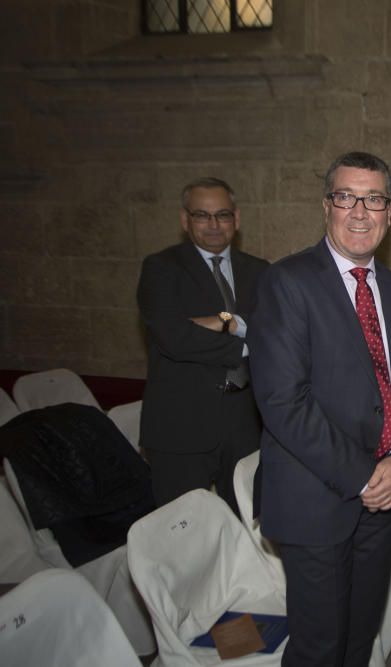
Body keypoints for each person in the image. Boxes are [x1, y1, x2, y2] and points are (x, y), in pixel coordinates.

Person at [248, 151, 391, 667]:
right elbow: (283, 402)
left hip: (383, 500)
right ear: (326, 207)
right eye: (346, 197)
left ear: (390, 213)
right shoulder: (287, 283)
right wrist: (365, 473)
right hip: (316, 499)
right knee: (318, 649)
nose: (360, 211)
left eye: (374, 199)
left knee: (358, 640)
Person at [137, 176, 268, 512]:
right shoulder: (161, 269)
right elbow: (174, 338)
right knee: (184, 531)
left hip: (245, 422)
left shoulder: (260, 271)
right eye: (201, 215)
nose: (213, 225)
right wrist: (246, 341)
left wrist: (225, 321)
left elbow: (275, 330)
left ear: (236, 220)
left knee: (246, 526)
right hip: (182, 425)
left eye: (222, 215)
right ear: (185, 220)